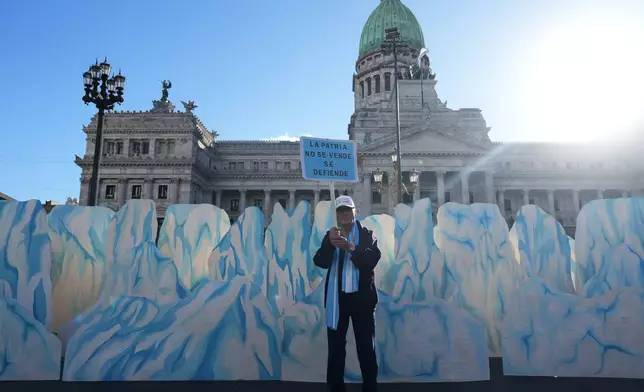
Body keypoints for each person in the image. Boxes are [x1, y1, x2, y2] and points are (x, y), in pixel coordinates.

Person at [313, 195, 381, 392]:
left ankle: (370, 387)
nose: (343, 214)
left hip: (362, 300)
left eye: (347, 210)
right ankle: (336, 387)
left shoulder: (367, 234)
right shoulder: (331, 235)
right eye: (340, 211)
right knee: (335, 350)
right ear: (336, 215)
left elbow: (371, 260)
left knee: (366, 348)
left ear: (354, 212)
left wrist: (349, 247)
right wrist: (329, 244)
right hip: (337, 299)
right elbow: (320, 261)